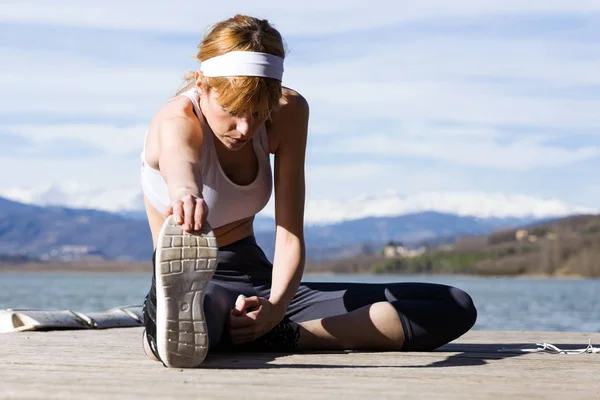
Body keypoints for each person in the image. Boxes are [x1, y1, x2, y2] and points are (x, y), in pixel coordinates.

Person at [140, 14, 477, 368]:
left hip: (258, 279)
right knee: (190, 327)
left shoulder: (289, 111)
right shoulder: (176, 118)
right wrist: (185, 195)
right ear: (202, 83)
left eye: (258, 114)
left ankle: (283, 334)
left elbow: (289, 234)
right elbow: (181, 163)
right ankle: (167, 324)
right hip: (197, 286)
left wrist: (275, 310)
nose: (245, 128)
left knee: (451, 305)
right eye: (233, 111)